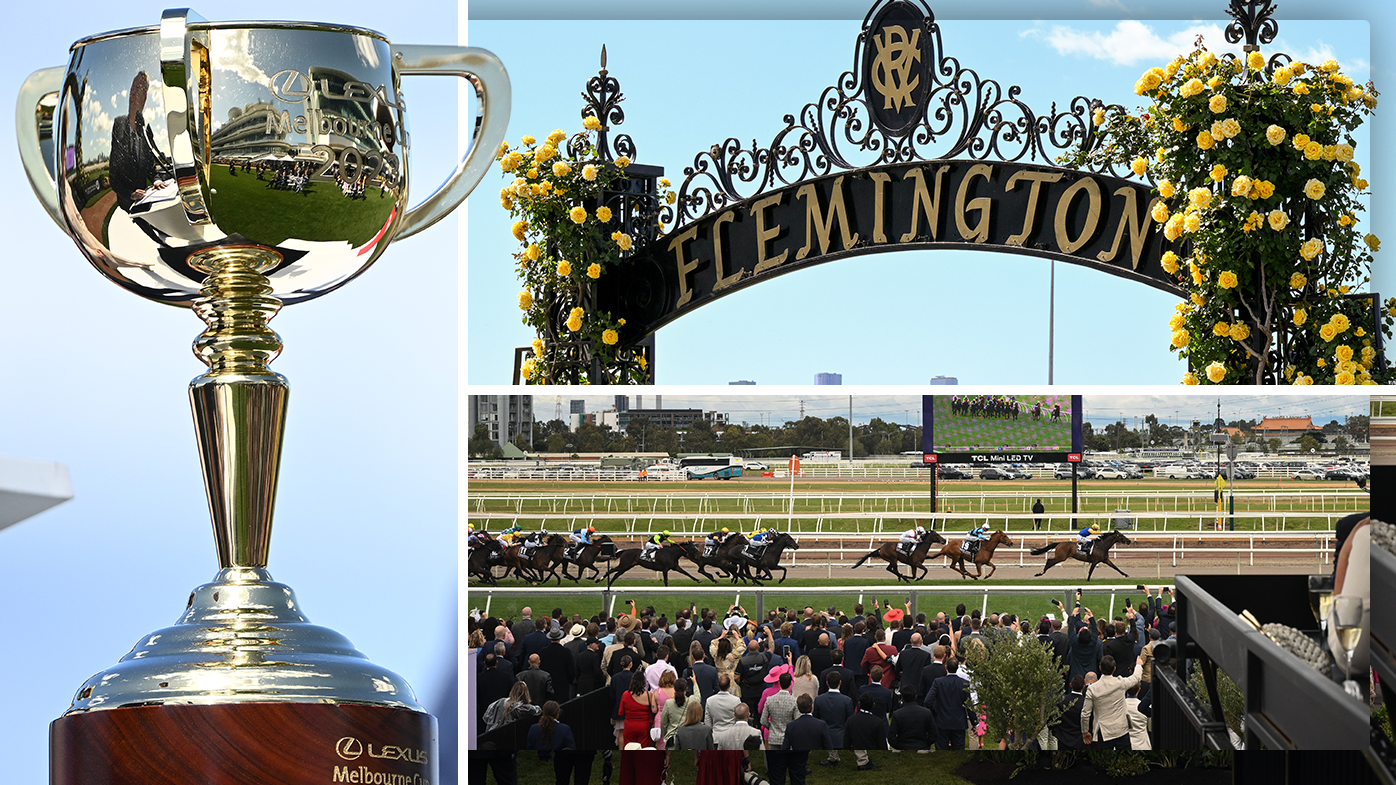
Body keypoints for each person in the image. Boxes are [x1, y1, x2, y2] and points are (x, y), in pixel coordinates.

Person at [1080, 654, 1145, 750]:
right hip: (1121, 729)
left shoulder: (1092, 689)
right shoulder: (1120, 683)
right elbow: (1136, 678)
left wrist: (1085, 731)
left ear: (1100, 668)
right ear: (1114, 669)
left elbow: (1085, 713)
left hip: (1103, 732)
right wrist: (1139, 665)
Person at [926, 658, 971, 750]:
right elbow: (968, 705)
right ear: (957, 668)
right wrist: (975, 722)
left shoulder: (938, 682)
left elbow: (928, 701)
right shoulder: (964, 683)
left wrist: (935, 712)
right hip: (958, 722)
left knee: (941, 748)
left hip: (942, 720)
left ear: (946, 667)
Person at [813, 671, 855, 766]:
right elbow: (850, 720)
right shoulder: (847, 701)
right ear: (840, 682)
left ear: (827, 683)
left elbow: (816, 718)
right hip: (841, 736)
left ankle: (833, 757)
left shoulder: (819, 700)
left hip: (825, 736)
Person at [844, 693, 889, 770]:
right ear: (873, 704)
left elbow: (846, 740)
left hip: (856, 747)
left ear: (859, 703)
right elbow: (882, 743)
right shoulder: (877, 722)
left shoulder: (850, 720)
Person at [621, 670, 659, 749]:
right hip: (644, 726)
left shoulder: (625, 695)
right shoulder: (649, 695)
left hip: (629, 726)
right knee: (645, 750)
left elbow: (621, 711)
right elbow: (654, 710)